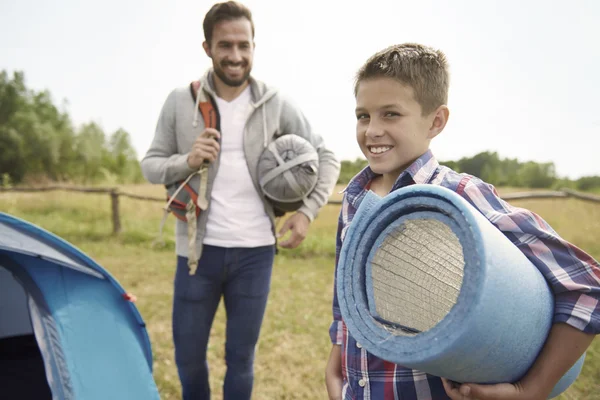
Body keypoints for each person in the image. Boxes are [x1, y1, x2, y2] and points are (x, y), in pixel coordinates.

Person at [325, 43, 600, 400]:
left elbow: (586, 285)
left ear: (435, 121)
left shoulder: (460, 196)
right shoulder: (354, 198)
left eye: (390, 114)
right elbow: (347, 300)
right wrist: (336, 370)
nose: (372, 130)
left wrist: (531, 390)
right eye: (363, 116)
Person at [141, 2, 340, 399]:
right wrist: (189, 160)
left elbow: (326, 157)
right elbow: (151, 165)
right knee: (188, 358)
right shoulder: (181, 101)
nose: (235, 55)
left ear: (253, 46)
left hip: (255, 253)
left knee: (241, 359)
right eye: (225, 45)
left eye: (243, 45)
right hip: (197, 254)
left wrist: (306, 212)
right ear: (207, 47)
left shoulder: (275, 102)